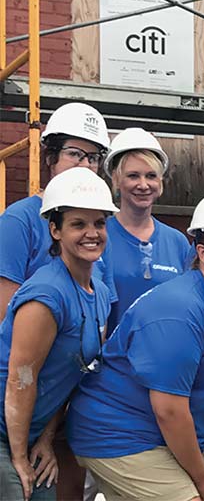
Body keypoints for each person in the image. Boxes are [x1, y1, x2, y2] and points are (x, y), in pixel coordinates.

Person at [66, 189, 204, 501]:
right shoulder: (179, 310)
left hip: (166, 435)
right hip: (119, 434)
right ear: (203, 251)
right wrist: (203, 480)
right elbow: (170, 411)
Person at [0, 167, 117, 501]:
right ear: (55, 230)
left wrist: (46, 438)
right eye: (78, 224)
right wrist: (20, 457)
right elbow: (21, 378)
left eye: (99, 223)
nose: (91, 233)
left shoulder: (101, 295)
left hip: (29, 430)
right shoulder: (47, 295)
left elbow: (72, 375)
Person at [0, 102, 115, 323]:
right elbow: (5, 315)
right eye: (75, 154)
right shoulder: (18, 220)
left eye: (93, 157)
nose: (85, 165)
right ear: (50, 157)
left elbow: (102, 311)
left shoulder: (98, 226)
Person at [102, 128, 191, 333]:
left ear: (160, 182)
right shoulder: (100, 236)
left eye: (151, 176)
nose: (143, 185)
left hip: (164, 358)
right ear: (116, 180)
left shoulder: (177, 242)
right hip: (114, 361)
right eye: (133, 176)